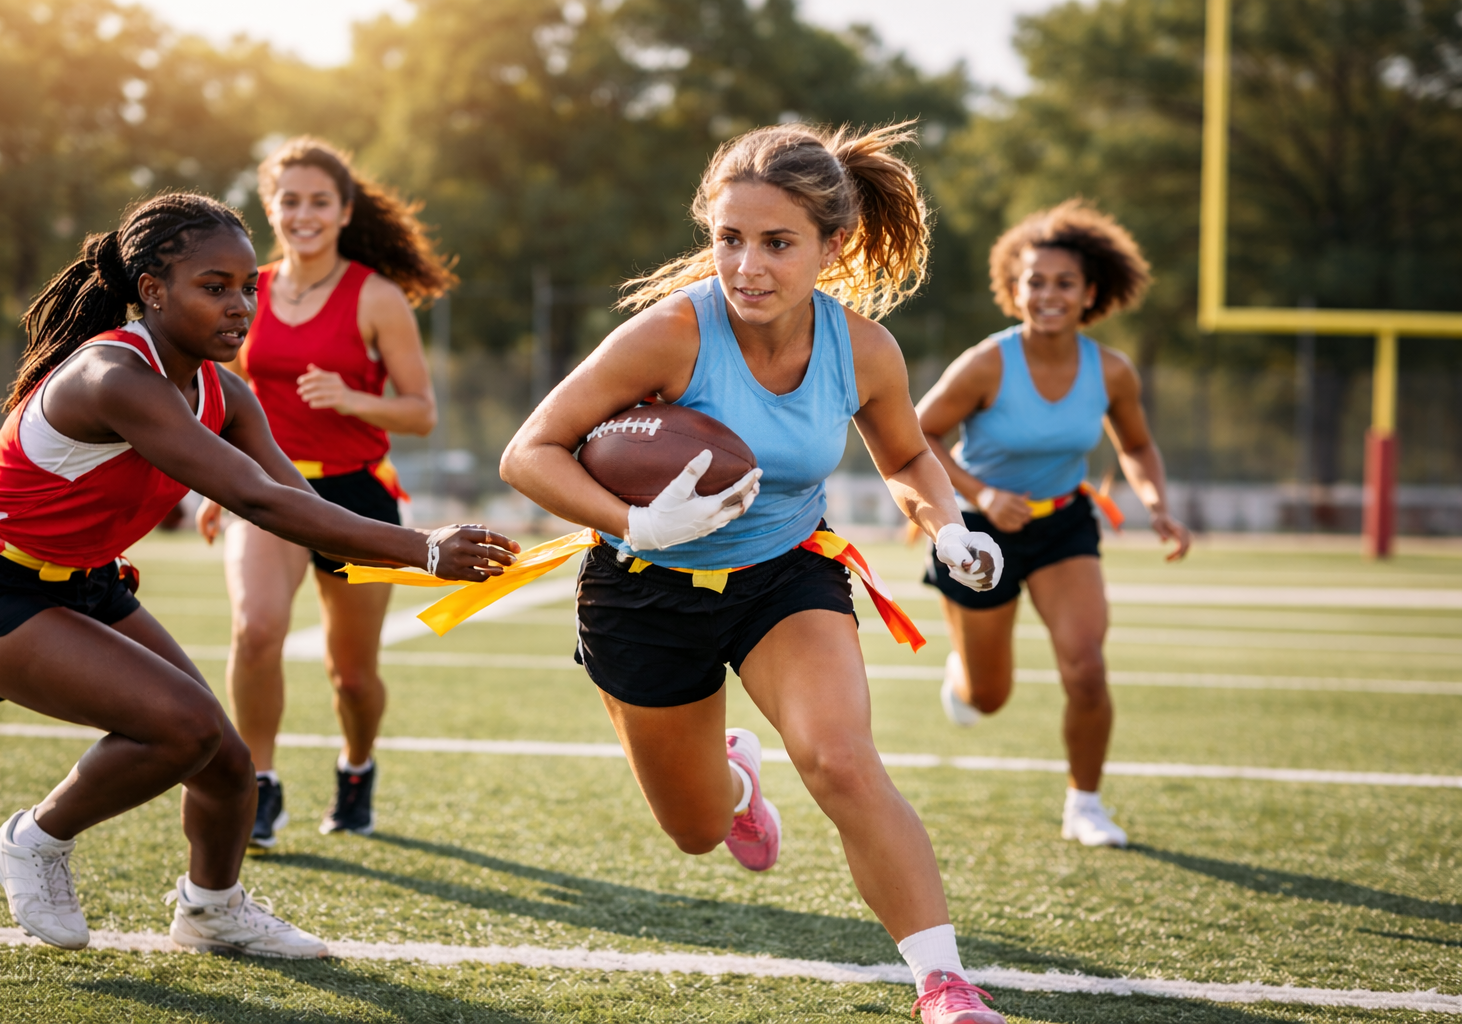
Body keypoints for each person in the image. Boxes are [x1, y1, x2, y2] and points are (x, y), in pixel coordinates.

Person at [502, 123, 1010, 1024]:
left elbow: (906, 458)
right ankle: (735, 783)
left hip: (784, 578)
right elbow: (528, 453)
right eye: (729, 239)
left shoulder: (863, 349)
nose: (747, 266)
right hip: (642, 593)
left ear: (832, 245)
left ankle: (944, 985)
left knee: (843, 762)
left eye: (777, 243)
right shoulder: (669, 335)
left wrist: (949, 528)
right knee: (696, 831)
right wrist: (635, 521)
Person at [0, 193, 515, 956]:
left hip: (81, 579)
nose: (240, 306)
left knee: (228, 762)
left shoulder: (223, 391)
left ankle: (211, 909)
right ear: (152, 290)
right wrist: (423, 546)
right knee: (183, 728)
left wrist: (427, 561)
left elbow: (298, 504)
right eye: (216, 287)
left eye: (248, 288)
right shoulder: (113, 374)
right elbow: (253, 497)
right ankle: (32, 840)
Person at [194, 138, 455, 846]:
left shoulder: (375, 295)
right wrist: (218, 481)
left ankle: (357, 766)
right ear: (270, 209)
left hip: (355, 498)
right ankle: (260, 785)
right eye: (290, 201)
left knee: (352, 676)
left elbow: (421, 411)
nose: (303, 214)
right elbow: (226, 396)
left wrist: (350, 399)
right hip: (268, 489)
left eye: (319, 201)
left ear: (343, 211)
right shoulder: (249, 289)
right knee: (256, 633)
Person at [914, 199, 1191, 849]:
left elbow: (1137, 446)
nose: (1049, 294)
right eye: (1035, 281)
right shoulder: (987, 363)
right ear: (1016, 289)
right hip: (980, 533)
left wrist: (1156, 502)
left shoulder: (1112, 371)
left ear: (1089, 293)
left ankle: (1085, 806)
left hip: (1065, 526)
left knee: (1086, 668)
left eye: (1064, 283)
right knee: (989, 698)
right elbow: (915, 437)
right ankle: (961, 673)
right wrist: (982, 490)